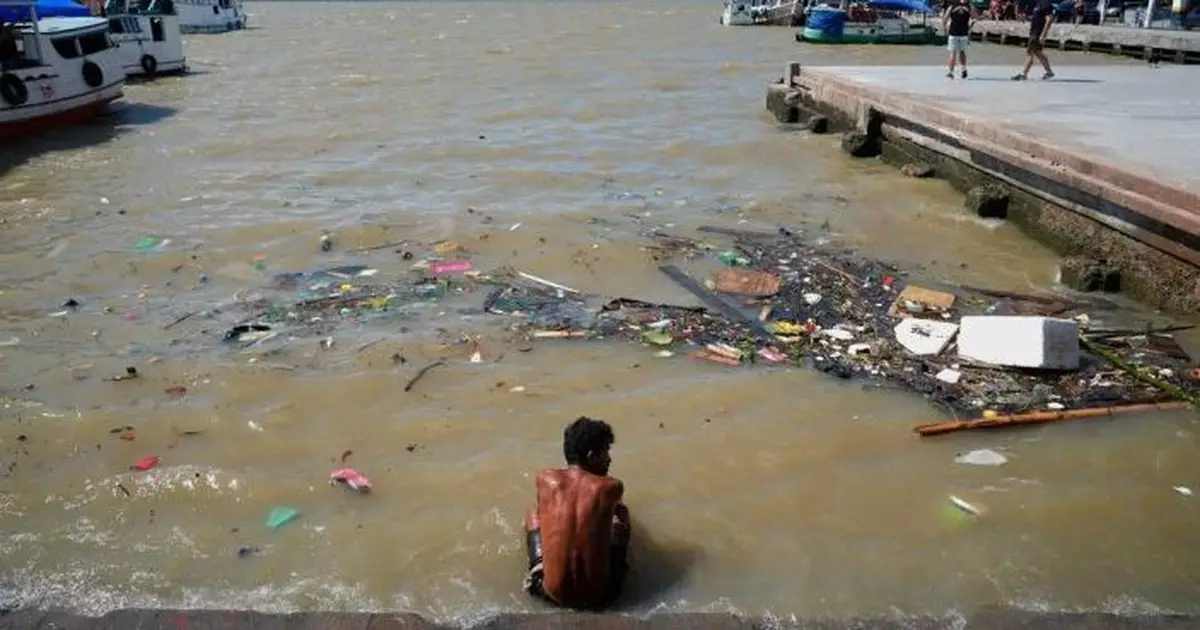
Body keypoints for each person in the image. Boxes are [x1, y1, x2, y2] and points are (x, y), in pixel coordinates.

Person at [523, 416, 631, 610]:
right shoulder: (610, 487)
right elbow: (611, 514)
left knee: (533, 512)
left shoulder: (545, 479)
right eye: (606, 452)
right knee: (621, 513)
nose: (609, 459)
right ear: (591, 456)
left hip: (549, 594)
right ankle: (615, 565)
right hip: (604, 596)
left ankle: (539, 565)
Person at [1013, 0, 1056, 80]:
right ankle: (1049, 72)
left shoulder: (1045, 3)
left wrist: (1043, 34)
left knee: (1030, 52)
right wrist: (1024, 17)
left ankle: (1024, 74)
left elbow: (1049, 19)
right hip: (1034, 32)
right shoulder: (1037, 3)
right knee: (1038, 52)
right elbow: (1037, 16)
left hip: (1037, 33)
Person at [943, 0, 977, 79]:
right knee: (962, 52)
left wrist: (945, 29)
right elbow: (975, 16)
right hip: (964, 33)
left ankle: (951, 72)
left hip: (953, 33)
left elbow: (945, 19)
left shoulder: (952, 6)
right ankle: (963, 69)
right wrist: (973, 22)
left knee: (953, 53)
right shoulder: (969, 6)